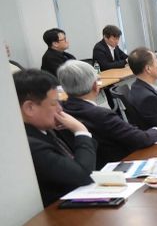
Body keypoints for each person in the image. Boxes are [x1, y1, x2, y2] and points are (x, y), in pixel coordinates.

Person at [13, 69, 96, 206]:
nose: (60, 109)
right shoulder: (31, 145)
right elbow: (82, 176)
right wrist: (81, 131)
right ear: (30, 108)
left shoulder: (44, 128)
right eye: (54, 103)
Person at [59, 61, 157, 168]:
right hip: (122, 164)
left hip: (92, 167)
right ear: (95, 86)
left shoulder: (62, 111)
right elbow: (141, 139)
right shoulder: (101, 115)